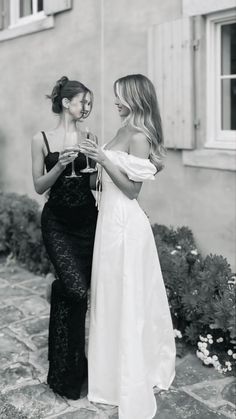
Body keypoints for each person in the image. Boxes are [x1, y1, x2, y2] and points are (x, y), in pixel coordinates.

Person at [80, 74, 176, 418]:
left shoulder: (139, 136)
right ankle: (107, 377)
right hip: (108, 222)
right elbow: (105, 179)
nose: (115, 102)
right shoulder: (121, 130)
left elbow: (133, 191)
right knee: (109, 295)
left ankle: (132, 374)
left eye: (120, 97)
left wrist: (104, 160)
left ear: (135, 98)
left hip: (125, 225)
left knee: (128, 296)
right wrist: (91, 160)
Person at [31, 76, 97, 399]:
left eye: (88, 102)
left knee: (79, 297)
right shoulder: (41, 139)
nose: (86, 107)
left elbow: (95, 183)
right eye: (82, 101)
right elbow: (39, 186)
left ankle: (74, 368)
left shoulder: (89, 136)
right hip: (57, 223)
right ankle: (64, 369)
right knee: (75, 289)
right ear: (67, 103)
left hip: (87, 222)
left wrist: (97, 163)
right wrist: (61, 165)